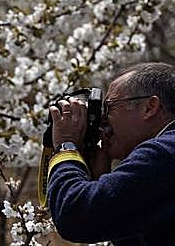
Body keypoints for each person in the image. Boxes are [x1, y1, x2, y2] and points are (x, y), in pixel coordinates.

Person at [48, 62, 175, 246]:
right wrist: (102, 180)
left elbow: (74, 215)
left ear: (150, 107)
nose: (103, 120)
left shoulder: (164, 152)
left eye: (109, 107)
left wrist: (65, 147)